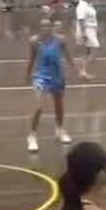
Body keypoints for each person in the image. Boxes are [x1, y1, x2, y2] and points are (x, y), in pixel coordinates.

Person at [26, 18, 78, 153]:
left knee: (59, 106)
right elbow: (31, 59)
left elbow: (68, 57)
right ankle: (32, 136)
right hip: (41, 77)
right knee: (39, 107)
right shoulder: (34, 41)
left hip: (57, 75)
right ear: (40, 28)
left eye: (48, 25)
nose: (46, 28)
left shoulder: (60, 40)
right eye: (43, 26)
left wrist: (79, 71)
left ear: (52, 27)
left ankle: (60, 130)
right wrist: (27, 74)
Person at [74, 0, 99, 80]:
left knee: (88, 52)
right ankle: (82, 71)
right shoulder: (81, 6)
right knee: (92, 51)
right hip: (86, 31)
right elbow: (81, 20)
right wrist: (84, 34)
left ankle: (82, 71)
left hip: (91, 31)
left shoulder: (89, 5)